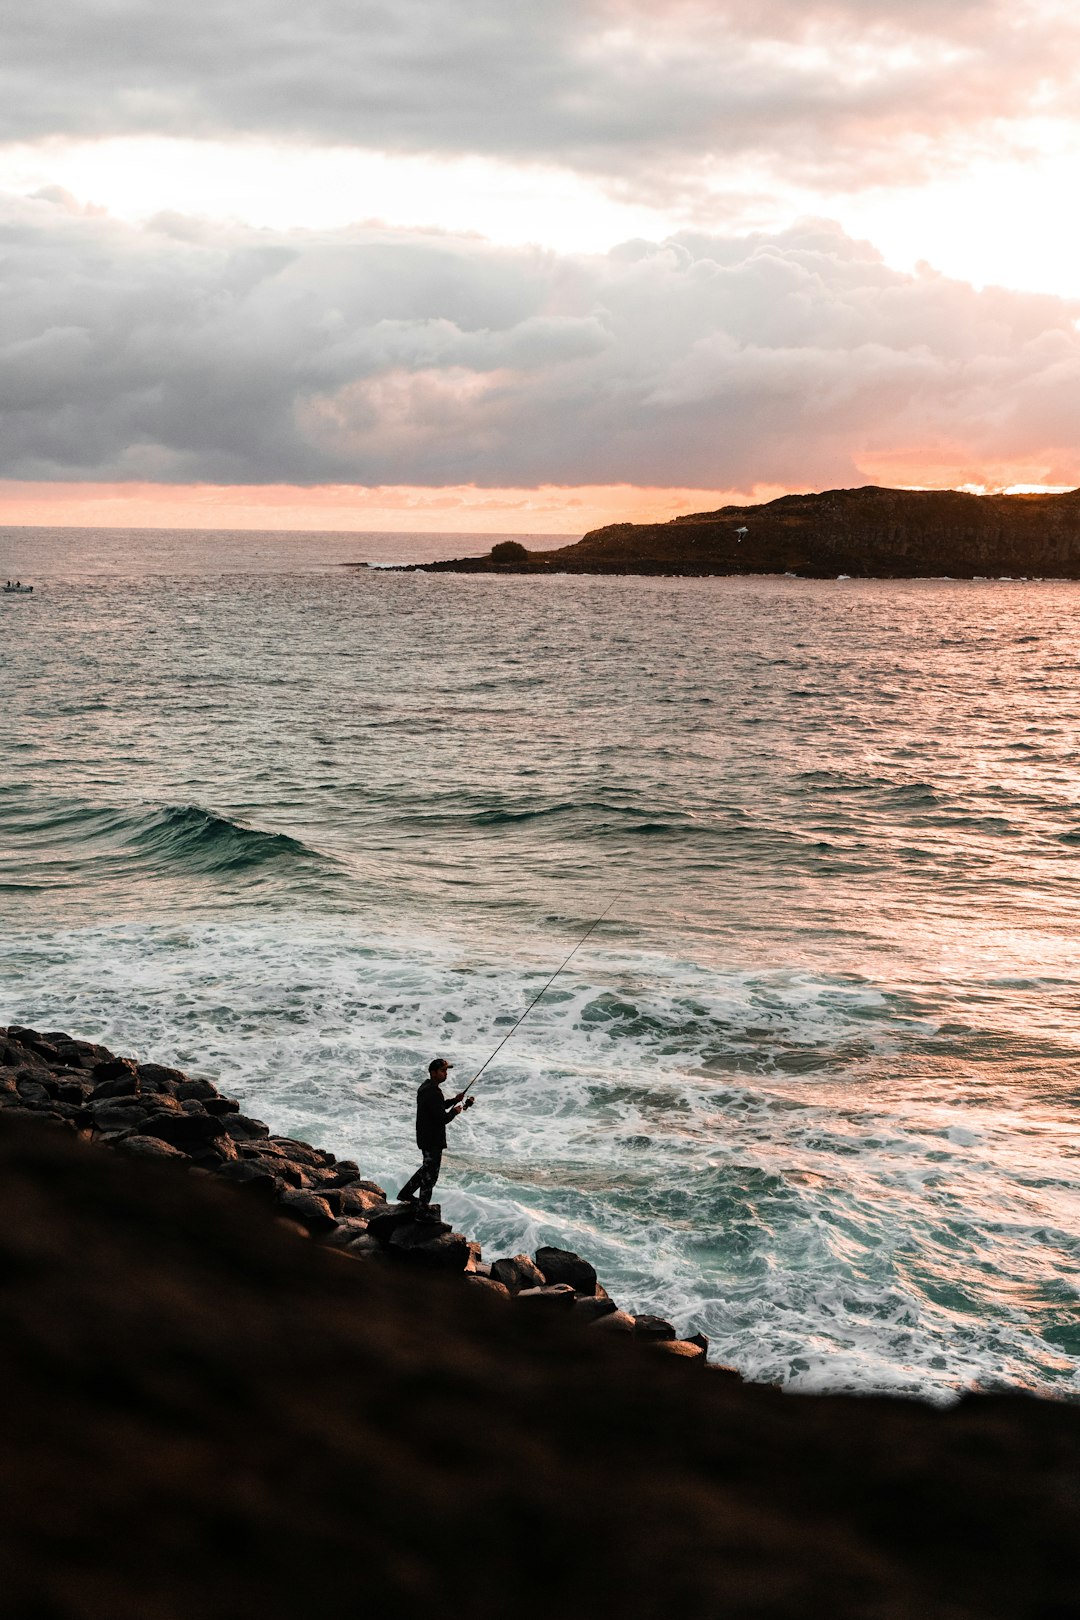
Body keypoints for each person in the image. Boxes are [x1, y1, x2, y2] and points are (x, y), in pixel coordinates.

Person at [397, 1057, 474, 1210]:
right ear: (433, 1073)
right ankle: (423, 1208)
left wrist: (453, 1100)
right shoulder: (433, 1092)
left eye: (446, 1071)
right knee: (430, 1175)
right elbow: (441, 1118)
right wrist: (455, 1111)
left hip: (425, 1137)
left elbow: (436, 1108)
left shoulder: (426, 1088)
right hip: (432, 1139)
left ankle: (406, 1194)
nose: (446, 1074)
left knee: (426, 1169)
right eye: (443, 1071)